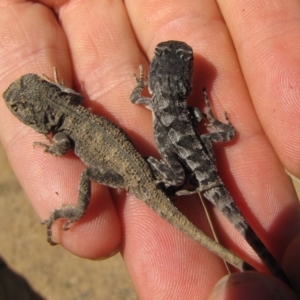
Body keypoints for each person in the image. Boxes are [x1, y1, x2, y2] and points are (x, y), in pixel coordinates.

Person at [0, 1, 299, 299]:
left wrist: (54, 148)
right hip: (148, 165)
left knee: (93, 174)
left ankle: (84, 209)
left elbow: (67, 142)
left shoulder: (68, 130)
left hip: (147, 168)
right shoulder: (79, 110)